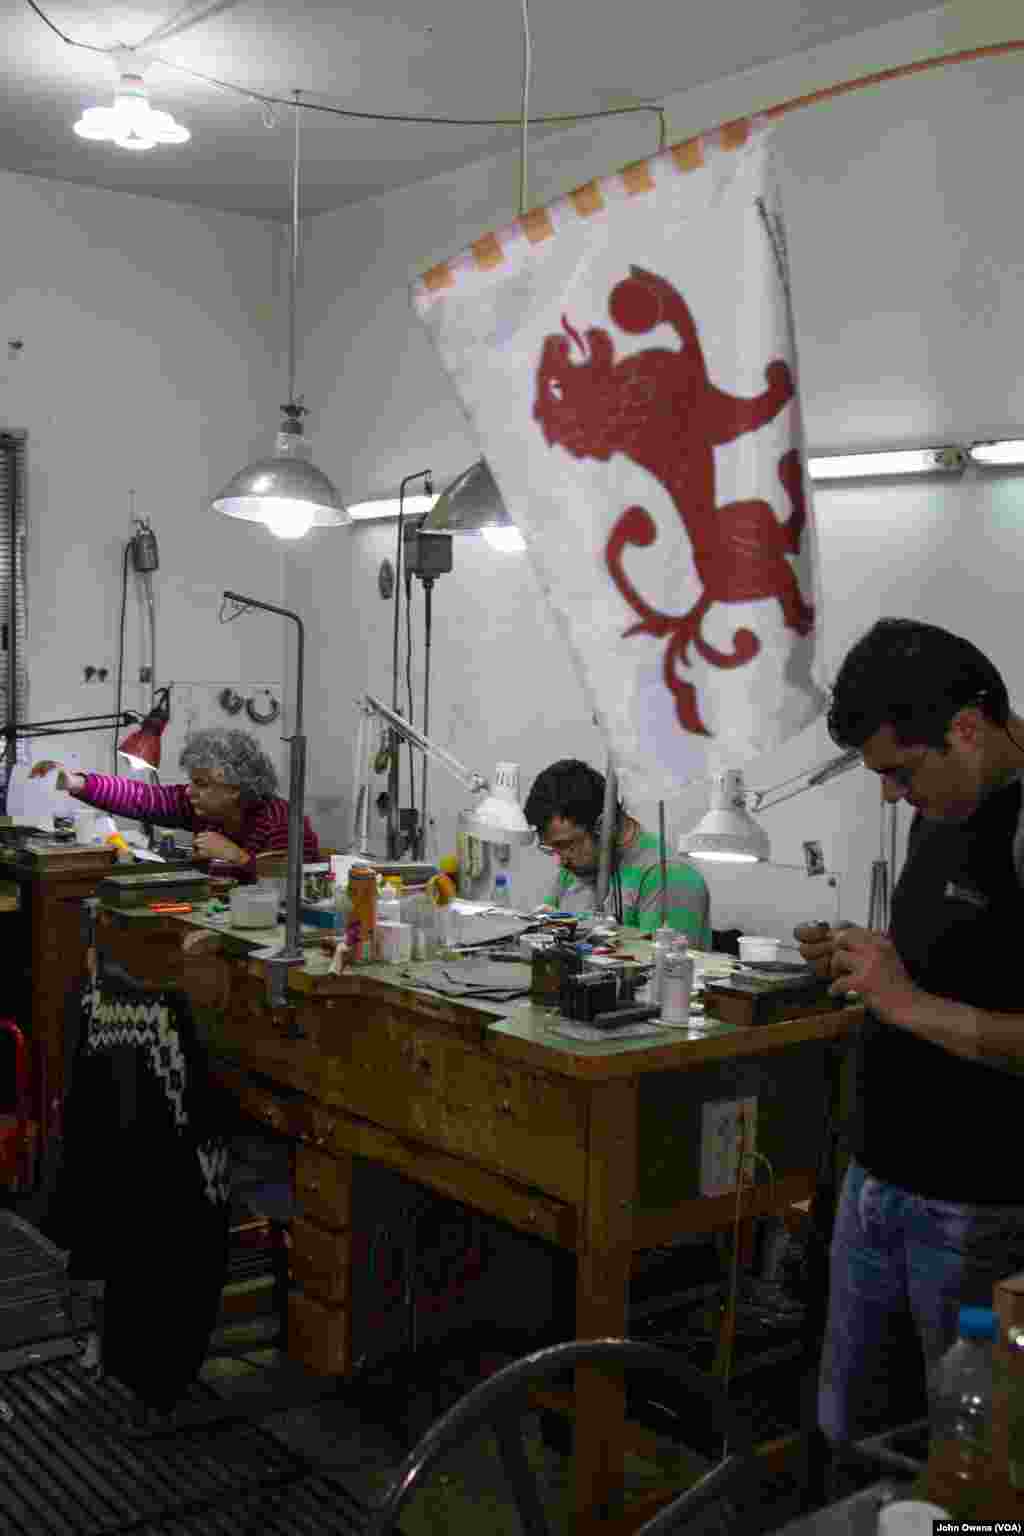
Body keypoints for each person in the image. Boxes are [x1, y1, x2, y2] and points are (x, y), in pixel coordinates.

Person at [793, 618, 1024, 1450]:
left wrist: (903, 1002)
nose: (890, 794)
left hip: (976, 1202)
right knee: (849, 1430)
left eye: (901, 771)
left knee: (965, 1451)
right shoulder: (947, 800)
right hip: (881, 1173)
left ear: (966, 726)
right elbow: (969, 962)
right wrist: (871, 956)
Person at [30, 726, 319, 880]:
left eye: (202, 783)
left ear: (235, 788)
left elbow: (296, 887)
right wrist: (76, 782)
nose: (190, 791)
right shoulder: (199, 806)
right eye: (192, 781)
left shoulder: (282, 822)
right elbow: (142, 798)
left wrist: (238, 857)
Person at [523, 758, 711, 945]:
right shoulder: (575, 862)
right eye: (552, 849)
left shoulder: (669, 877)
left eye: (566, 845)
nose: (560, 861)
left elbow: (663, 969)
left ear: (604, 826)